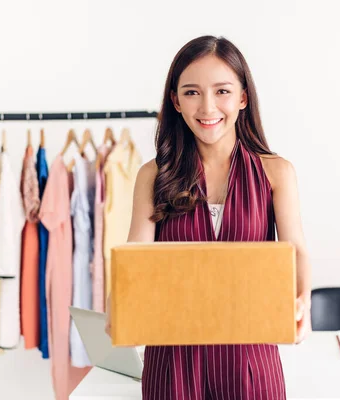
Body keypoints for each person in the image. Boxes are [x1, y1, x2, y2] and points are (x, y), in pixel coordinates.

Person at [105, 35, 312, 399]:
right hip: (172, 360)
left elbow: (295, 249)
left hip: (252, 356)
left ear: (243, 98)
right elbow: (136, 253)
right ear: (175, 100)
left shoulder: (276, 172)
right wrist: (119, 305)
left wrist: (302, 301)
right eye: (191, 92)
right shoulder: (153, 175)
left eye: (222, 91)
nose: (207, 106)